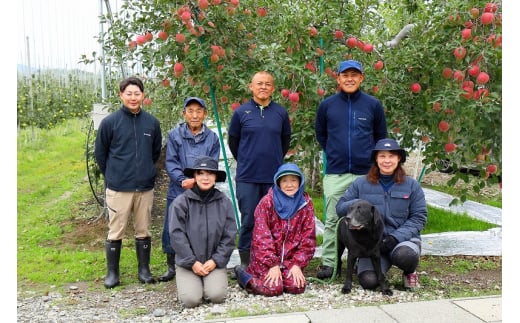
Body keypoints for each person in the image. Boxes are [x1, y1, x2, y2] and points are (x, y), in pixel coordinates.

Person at [314, 59, 387, 279]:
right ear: (338, 78)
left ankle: (364, 260)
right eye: (345, 75)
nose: (349, 78)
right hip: (336, 172)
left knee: (368, 218)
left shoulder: (372, 105)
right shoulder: (327, 105)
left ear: (361, 78)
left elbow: (380, 136)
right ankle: (329, 262)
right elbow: (322, 135)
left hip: (366, 173)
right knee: (333, 219)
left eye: (354, 74)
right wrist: (335, 153)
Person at [95, 76, 162, 288]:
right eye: (129, 94)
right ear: (121, 95)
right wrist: (114, 175)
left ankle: (144, 270)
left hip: (144, 188)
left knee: (143, 230)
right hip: (118, 188)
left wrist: (146, 172)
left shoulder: (151, 123)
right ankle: (112, 274)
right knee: (116, 231)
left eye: (137, 94)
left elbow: (154, 153)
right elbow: (101, 154)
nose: (133, 98)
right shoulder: (110, 123)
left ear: (143, 95)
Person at [336, 138, 427, 289]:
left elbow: (419, 218)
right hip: (371, 244)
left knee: (405, 256)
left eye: (391, 156)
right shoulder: (360, 183)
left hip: (401, 241)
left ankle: (409, 272)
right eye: (382, 156)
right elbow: (340, 208)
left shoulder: (412, 185)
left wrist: (395, 237)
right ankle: (368, 266)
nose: (387, 161)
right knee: (369, 281)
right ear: (376, 159)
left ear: (399, 159)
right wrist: (358, 203)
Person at [228, 71, 292, 271]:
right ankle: (247, 262)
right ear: (251, 87)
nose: (263, 87)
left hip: (273, 177)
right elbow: (234, 143)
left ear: (273, 88)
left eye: (267, 84)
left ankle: (272, 260)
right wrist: (248, 159)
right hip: (247, 176)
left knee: (275, 219)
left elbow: (284, 142)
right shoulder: (241, 113)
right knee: (248, 219)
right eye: (259, 84)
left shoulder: (280, 113)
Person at [159, 97, 221, 282]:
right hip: (179, 188)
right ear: (184, 114)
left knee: (200, 225)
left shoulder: (212, 138)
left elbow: (212, 163)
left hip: (202, 188)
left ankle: (200, 261)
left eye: (199, 111)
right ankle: (172, 265)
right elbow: (171, 162)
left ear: (205, 114)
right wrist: (181, 179)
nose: (195, 115)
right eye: (191, 111)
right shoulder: (175, 135)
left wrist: (199, 180)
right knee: (173, 225)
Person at [234, 163, 316, 296]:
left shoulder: (305, 205)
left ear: (300, 182)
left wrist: (297, 264)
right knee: (273, 289)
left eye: (293, 180)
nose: (289, 184)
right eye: (284, 180)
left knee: (297, 287)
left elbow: (309, 239)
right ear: (278, 182)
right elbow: (261, 238)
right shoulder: (267, 202)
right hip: (266, 261)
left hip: (290, 261)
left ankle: (284, 275)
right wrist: (272, 264)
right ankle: (243, 275)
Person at [168, 156, 237, 308]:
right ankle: (193, 283)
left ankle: (208, 283)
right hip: (189, 263)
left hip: (214, 262)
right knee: (191, 300)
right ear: (194, 176)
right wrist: (192, 262)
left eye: (210, 173)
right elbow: (176, 235)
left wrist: (215, 261)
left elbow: (229, 235)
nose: (205, 178)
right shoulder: (181, 202)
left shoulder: (224, 202)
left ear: (215, 177)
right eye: (200, 173)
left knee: (216, 296)